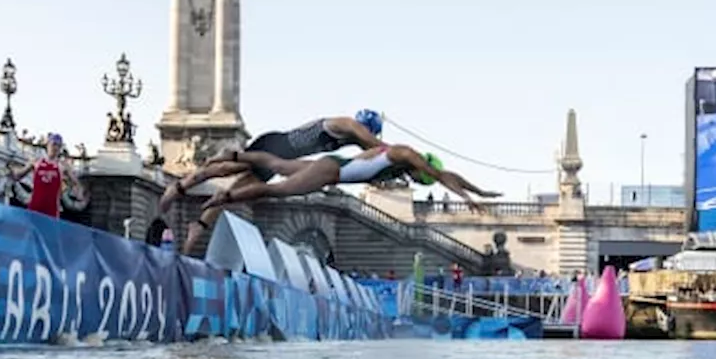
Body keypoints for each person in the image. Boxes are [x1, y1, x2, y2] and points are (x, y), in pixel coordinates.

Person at [160, 110, 386, 252]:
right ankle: (178, 187)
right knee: (224, 169)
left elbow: (368, 158)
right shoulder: (346, 124)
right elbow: (376, 147)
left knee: (233, 194)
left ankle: (197, 228)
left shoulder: (350, 139)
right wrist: (399, 157)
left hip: (279, 159)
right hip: (274, 145)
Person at [197, 143, 501, 216]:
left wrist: (481, 190)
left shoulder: (396, 157)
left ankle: (232, 156)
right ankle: (223, 198)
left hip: (336, 166)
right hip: (333, 172)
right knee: (278, 190)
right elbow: (441, 175)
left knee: (279, 164)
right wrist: (468, 199)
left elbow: (447, 174)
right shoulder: (405, 154)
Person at [9, 133, 82, 219]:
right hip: (35, 207)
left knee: (50, 232)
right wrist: (11, 170)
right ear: (47, 145)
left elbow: (75, 183)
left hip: (51, 211)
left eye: (58, 146)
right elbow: (18, 176)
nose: (55, 148)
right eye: (54, 144)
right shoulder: (36, 161)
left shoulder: (62, 165)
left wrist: (76, 191)